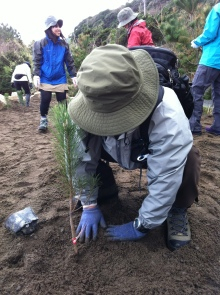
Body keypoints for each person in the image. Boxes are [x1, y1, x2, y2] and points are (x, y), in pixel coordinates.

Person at [68, 44, 201, 251]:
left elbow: (166, 175)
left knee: (189, 157)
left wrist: (144, 224)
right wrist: (89, 203)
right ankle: (106, 191)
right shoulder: (91, 96)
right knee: (87, 147)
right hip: (111, 148)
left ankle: (177, 208)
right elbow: (80, 158)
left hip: (146, 149)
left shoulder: (168, 116)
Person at [33, 15, 77, 132]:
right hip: (45, 77)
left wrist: (73, 75)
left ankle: (65, 122)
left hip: (60, 77)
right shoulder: (40, 43)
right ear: (49, 28)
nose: (58, 29)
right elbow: (37, 61)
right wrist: (36, 75)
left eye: (59, 26)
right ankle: (43, 120)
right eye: (55, 26)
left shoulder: (64, 44)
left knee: (62, 101)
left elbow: (69, 61)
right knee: (45, 99)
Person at [190, 2, 220, 136]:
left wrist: (196, 42)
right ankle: (218, 126)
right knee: (218, 94)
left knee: (196, 89)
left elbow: (210, 33)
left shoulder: (218, 9)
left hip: (212, 58)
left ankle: (193, 126)